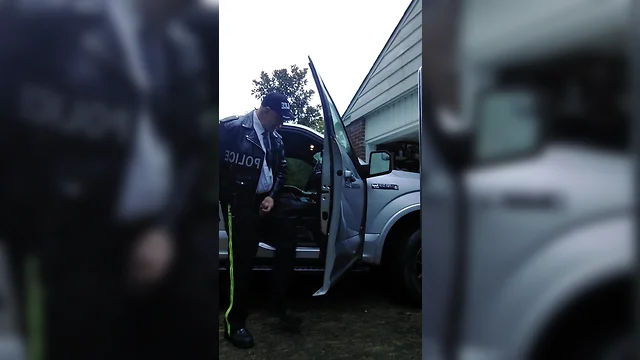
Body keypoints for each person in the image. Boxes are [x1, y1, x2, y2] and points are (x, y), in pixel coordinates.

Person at [0, 0, 217, 359]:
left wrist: (164, 228)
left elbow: (189, 151)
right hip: (79, 244)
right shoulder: (59, 27)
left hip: (158, 233)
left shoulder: (180, 48)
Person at [219, 92, 303, 349]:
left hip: (264, 201)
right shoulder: (231, 130)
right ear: (265, 110)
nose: (280, 124)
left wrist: (273, 196)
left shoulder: (276, 138)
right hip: (240, 204)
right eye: (279, 117)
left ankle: (275, 301)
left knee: (289, 240)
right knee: (241, 263)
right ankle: (235, 323)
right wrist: (230, 200)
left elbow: (281, 170)